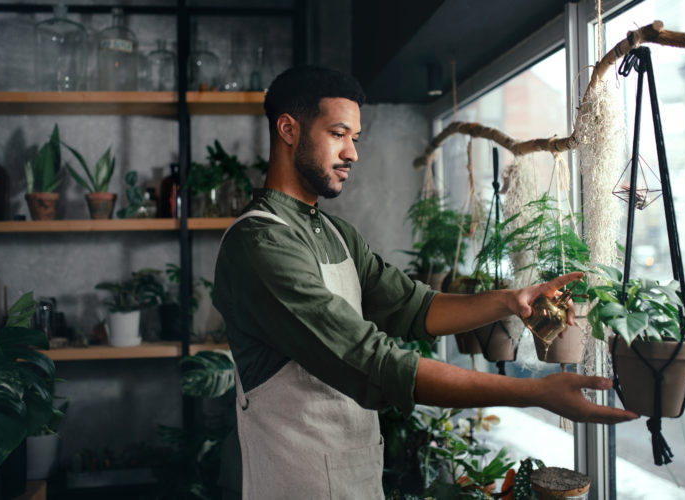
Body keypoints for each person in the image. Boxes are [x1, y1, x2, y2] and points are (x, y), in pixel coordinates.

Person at [212, 65, 637, 499]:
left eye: (354, 139)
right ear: (288, 129)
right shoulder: (259, 244)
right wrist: (535, 393)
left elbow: (415, 307)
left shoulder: (338, 234)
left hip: (355, 481)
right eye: (338, 134)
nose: (352, 153)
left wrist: (512, 300)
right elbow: (373, 364)